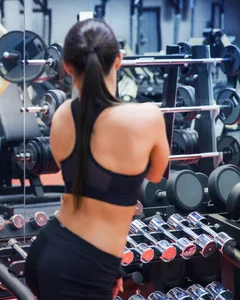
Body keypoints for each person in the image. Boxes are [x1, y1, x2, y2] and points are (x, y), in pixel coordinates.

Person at [24, 19, 170, 300]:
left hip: (49, 249)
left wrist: (113, 268)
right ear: (119, 60)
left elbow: (88, 190)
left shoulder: (62, 115)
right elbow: (155, 175)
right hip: (83, 270)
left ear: (66, 66)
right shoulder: (148, 116)